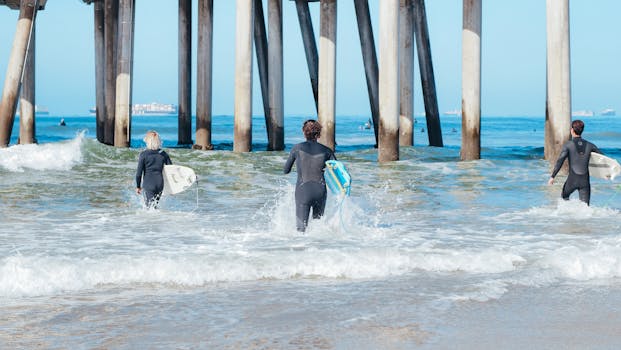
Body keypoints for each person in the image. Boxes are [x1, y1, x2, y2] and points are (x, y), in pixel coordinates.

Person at [284, 120, 336, 232]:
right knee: (318, 230)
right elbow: (336, 172)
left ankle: (302, 248)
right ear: (318, 134)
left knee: (301, 230)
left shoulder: (296, 148)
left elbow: (286, 170)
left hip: (303, 191)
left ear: (304, 132)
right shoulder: (327, 151)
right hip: (320, 191)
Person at [548, 119, 601, 205]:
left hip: (572, 180)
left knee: (564, 198)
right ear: (582, 130)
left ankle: (567, 216)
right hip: (585, 181)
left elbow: (560, 161)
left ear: (572, 130)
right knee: (585, 207)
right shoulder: (591, 145)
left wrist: (552, 177)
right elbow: (603, 159)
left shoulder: (568, 145)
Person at [136, 130, 172, 208]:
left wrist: (138, 186)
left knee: (150, 208)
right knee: (154, 206)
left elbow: (139, 174)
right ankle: (159, 220)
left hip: (149, 184)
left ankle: (153, 220)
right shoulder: (163, 154)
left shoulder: (143, 154)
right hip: (160, 185)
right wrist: (172, 186)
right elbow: (171, 170)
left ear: (147, 141)